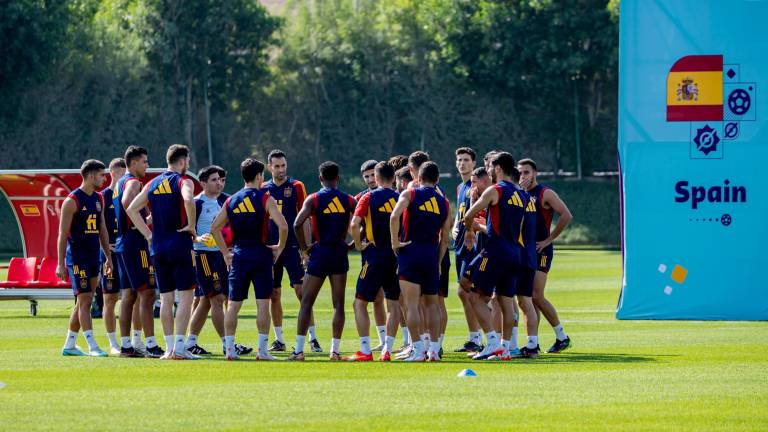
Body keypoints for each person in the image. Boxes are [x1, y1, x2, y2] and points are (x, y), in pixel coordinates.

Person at [463, 152, 540, 360]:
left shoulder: (494, 190)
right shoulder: (523, 195)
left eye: (490, 167)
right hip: (516, 253)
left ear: (497, 168)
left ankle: (492, 342)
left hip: (495, 250)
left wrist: (470, 231)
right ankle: (505, 348)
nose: (488, 170)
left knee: (473, 295)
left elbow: (469, 215)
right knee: (506, 301)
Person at [210, 158, 288, 361]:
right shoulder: (265, 198)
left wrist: (225, 252)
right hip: (261, 255)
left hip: (239, 256)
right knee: (263, 304)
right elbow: (284, 226)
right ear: (260, 176)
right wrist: (279, 247)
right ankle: (262, 351)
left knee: (233, 305)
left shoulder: (231, 200)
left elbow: (215, 228)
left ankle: (229, 350)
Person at [127, 144, 198, 360]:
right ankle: (179, 347)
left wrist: (149, 235)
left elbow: (131, 209)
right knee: (186, 297)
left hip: (158, 249)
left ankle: (168, 349)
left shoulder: (152, 183)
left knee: (166, 299)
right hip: (180, 245)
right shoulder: (183, 181)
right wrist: (192, 226)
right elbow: (188, 200)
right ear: (183, 161)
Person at [287, 162, 355, 361]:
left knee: (306, 303)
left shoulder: (314, 199)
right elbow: (359, 223)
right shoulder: (348, 199)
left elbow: (297, 223)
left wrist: (304, 248)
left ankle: (299, 351)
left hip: (320, 253)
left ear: (320, 179)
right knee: (338, 304)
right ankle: (334, 351)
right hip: (339, 253)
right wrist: (352, 245)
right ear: (338, 178)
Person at [185, 166, 253, 357]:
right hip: (204, 256)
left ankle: (191, 342)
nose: (219, 183)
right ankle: (227, 344)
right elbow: (187, 231)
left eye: (221, 180)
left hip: (223, 255)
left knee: (206, 301)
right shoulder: (196, 203)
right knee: (217, 299)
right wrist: (197, 239)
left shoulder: (227, 200)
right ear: (203, 183)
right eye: (215, 180)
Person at [390, 161, 452, 362]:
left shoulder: (410, 194)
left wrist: (395, 243)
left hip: (410, 251)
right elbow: (445, 239)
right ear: (437, 180)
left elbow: (394, 216)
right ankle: (434, 351)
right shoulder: (444, 203)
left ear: (417, 178)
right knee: (432, 306)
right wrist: (438, 262)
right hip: (431, 256)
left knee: (411, 305)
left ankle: (417, 350)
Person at [261, 150, 322, 353]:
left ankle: (312, 338)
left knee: (301, 292)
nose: (281, 169)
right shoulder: (263, 189)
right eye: (277, 166)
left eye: (283, 165)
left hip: (292, 247)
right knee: (273, 293)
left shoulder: (296, 186)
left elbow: (304, 218)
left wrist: (305, 249)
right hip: (271, 248)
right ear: (269, 167)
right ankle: (279, 339)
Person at [518, 158, 573, 353]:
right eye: (520, 173)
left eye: (526, 172)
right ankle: (533, 342)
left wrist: (549, 239)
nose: (523, 176)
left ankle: (562, 336)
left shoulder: (545, 193)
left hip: (541, 250)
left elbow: (566, 214)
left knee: (536, 295)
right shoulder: (519, 194)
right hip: (525, 250)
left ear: (535, 173)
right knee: (528, 298)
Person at [58, 159, 112, 357]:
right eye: (101, 175)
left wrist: (108, 257)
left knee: (83, 302)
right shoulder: (72, 200)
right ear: (91, 176)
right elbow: (62, 235)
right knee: (86, 300)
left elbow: (102, 229)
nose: (104, 179)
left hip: (93, 257)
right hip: (77, 259)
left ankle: (69, 345)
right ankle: (92, 346)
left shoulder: (99, 198)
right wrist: (60, 263)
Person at [348, 161, 401, 361]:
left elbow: (354, 224)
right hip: (396, 257)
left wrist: (359, 244)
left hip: (375, 256)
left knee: (359, 303)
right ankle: (387, 350)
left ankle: (365, 350)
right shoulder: (400, 197)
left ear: (376, 178)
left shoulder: (368, 197)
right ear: (394, 178)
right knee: (393, 303)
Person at [114, 146, 161, 358]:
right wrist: (147, 233)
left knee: (129, 295)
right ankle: (150, 345)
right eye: (145, 162)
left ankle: (128, 344)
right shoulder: (133, 182)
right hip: (135, 242)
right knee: (147, 292)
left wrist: (150, 220)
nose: (147, 166)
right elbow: (127, 205)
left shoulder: (118, 183)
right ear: (133, 163)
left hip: (124, 242)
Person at [451, 147, 484, 353]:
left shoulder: (477, 187)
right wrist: (456, 225)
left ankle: (489, 336)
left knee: (473, 293)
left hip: (473, 246)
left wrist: (475, 232)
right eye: (459, 160)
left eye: (466, 160)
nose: (462, 163)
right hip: (460, 245)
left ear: (473, 163)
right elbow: (462, 212)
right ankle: (474, 338)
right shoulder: (460, 187)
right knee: (464, 293)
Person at [354, 159, 388, 352]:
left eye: (371, 175)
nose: (369, 179)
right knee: (376, 298)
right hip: (369, 254)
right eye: (365, 176)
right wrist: (357, 243)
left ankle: (406, 340)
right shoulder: (361, 197)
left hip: (382, 253)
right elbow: (356, 225)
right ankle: (383, 339)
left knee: (393, 298)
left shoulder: (390, 195)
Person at [98, 158, 126, 355]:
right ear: (112, 173)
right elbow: (97, 227)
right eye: (122, 174)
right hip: (109, 255)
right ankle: (113, 343)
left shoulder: (129, 195)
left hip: (127, 254)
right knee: (110, 299)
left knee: (132, 297)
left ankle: (131, 340)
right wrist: (105, 245)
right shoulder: (103, 197)